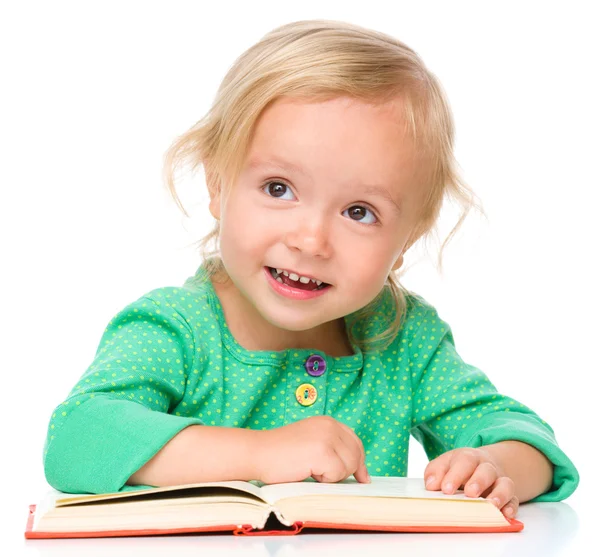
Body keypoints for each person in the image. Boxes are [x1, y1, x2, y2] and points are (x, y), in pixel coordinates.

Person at [42, 19, 579, 520]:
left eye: (359, 213)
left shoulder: (401, 340)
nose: (311, 240)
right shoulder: (175, 328)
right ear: (217, 184)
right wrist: (260, 453)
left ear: (407, 237)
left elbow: (526, 439)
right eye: (278, 189)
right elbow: (76, 439)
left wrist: (498, 467)